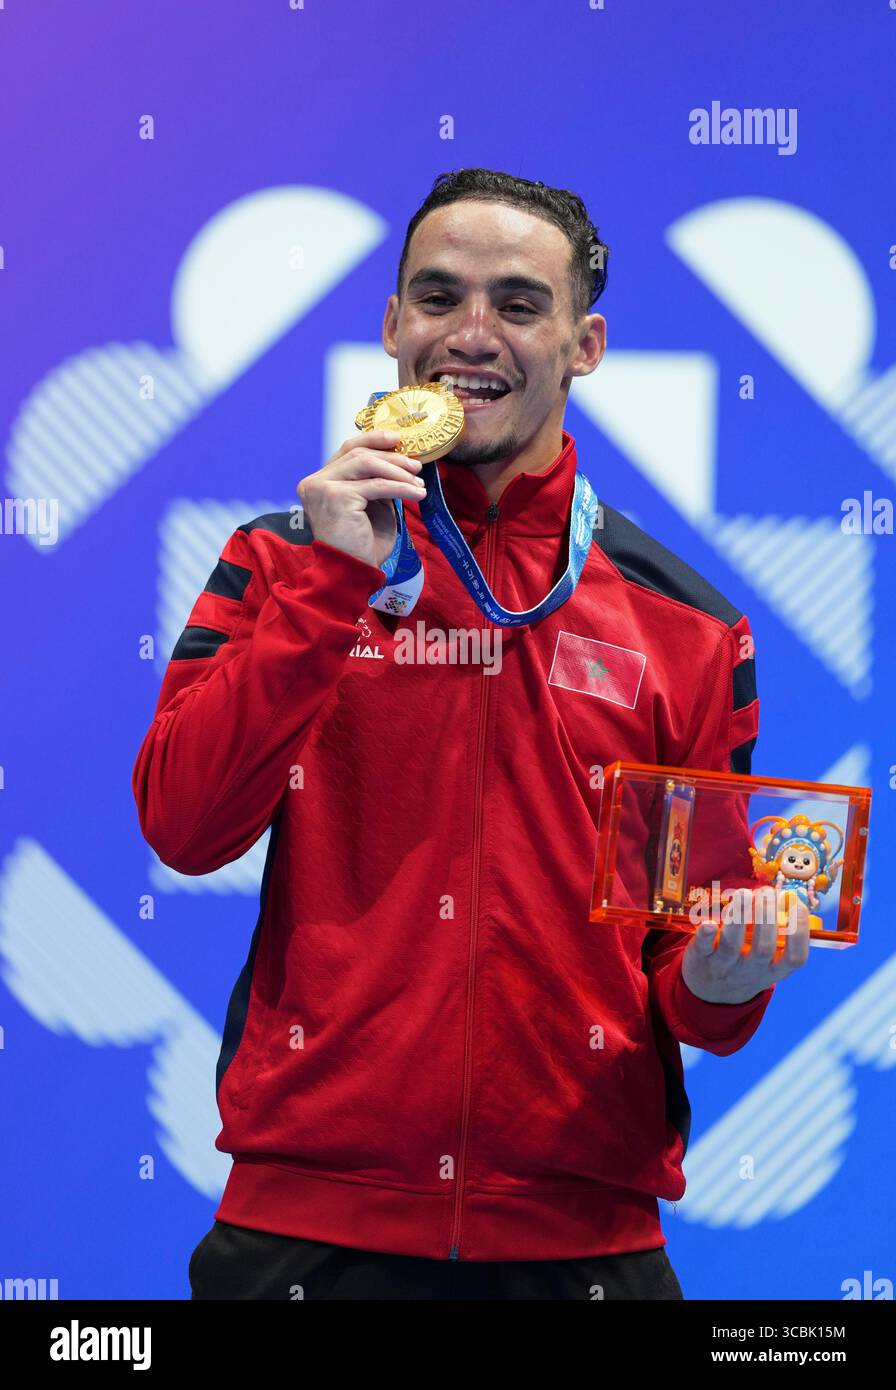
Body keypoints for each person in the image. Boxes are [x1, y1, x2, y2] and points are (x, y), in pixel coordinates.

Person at [132, 168, 809, 1301]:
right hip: (305, 1237)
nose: (471, 334)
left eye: (519, 304)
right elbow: (185, 828)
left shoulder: (688, 627)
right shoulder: (279, 561)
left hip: (581, 1253)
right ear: (392, 324)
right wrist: (330, 585)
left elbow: (690, 972)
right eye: (439, 296)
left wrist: (726, 973)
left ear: (585, 345)